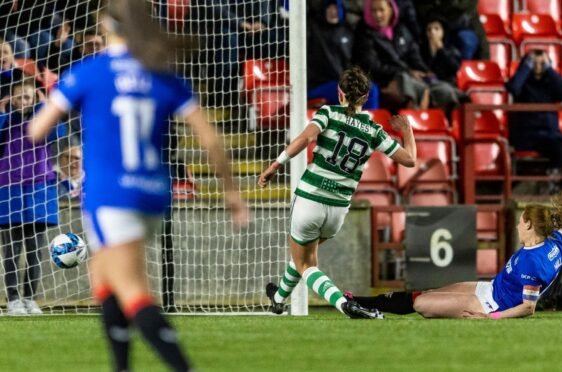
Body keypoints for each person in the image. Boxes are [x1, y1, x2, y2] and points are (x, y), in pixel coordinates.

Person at [29, 1, 248, 371]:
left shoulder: (91, 72)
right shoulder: (163, 75)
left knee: (133, 291)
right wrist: (231, 192)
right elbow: (210, 140)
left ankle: (183, 367)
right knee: (103, 278)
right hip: (153, 194)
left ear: (106, 26)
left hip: (110, 196)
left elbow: (37, 131)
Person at [258, 66, 417, 318]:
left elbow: (305, 139)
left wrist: (276, 164)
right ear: (365, 98)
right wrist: (407, 131)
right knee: (305, 255)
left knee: (305, 263)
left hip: (310, 198)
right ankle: (278, 299)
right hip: (338, 210)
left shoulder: (328, 113)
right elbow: (409, 160)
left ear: (339, 92)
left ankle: (344, 304)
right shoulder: (374, 131)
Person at [346, 170, 562, 318]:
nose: (517, 225)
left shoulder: (534, 261)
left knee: (422, 305)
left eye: (521, 221)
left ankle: (364, 305)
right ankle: (362, 303)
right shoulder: (553, 242)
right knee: (427, 294)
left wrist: (492, 319)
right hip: (490, 289)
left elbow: (528, 307)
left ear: (529, 225)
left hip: (490, 304)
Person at [0, 79, 66, 315]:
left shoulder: (43, 121)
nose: (22, 101)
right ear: (10, 99)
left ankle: (30, 298)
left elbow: (59, 132)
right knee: (11, 249)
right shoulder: (6, 122)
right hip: (10, 191)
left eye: (27, 97)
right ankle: (13, 299)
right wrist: (3, 112)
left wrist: (42, 106)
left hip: (39, 190)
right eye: (18, 97)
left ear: (34, 98)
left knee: (35, 249)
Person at [354, 0, 457, 111]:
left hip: (411, 77)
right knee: (406, 81)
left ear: (391, 9)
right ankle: (416, 119)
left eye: (381, 10)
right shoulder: (364, 34)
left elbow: (414, 56)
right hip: (386, 81)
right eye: (373, 11)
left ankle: (442, 123)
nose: (378, 15)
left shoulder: (402, 30)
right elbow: (373, 66)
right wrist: (407, 71)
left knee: (445, 90)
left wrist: (424, 71)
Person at [506, 50, 562, 170]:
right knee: (559, 151)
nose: (538, 66)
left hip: (552, 134)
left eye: (542, 63)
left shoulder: (550, 83)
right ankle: (554, 181)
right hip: (530, 136)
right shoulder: (522, 84)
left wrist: (548, 68)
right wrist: (527, 66)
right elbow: (513, 88)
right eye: (534, 63)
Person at [307, 0, 380, 109]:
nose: (333, 12)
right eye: (330, 8)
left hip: (343, 82)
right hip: (318, 84)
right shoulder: (312, 29)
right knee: (350, 92)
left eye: (336, 8)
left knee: (371, 89)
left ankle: (368, 124)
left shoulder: (349, 31)